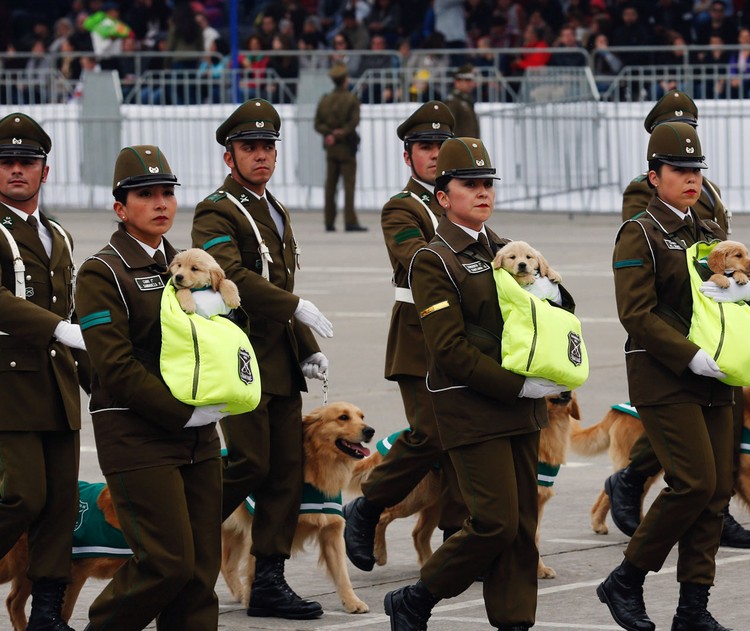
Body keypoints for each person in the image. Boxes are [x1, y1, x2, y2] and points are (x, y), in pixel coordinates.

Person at [384, 136, 572, 631]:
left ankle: (514, 623)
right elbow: (449, 348)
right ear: (443, 196)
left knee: (522, 526)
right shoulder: (434, 258)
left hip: (520, 408)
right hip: (472, 408)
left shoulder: (508, 249)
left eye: (487, 184)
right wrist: (517, 386)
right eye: (470, 185)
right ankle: (417, 597)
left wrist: (553, 288)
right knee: (493, 522)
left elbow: (551, 311)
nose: (483, 192)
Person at [599, 121, 750, 631]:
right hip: (665, 374)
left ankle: (693, 607)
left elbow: (748, 275)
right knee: (692, 483)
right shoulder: (640, 232)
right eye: (679, 170)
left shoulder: (705, 231)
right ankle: (625, 579)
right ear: (655, 176)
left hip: (716, 377)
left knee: (716, 492)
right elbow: (636, 312)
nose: (691, 179)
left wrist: (748, 290)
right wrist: (687, 354)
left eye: (696, 170)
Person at [191, 98, 333, 620]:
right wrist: (296, 306)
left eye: (267, 147)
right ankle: (182, 534)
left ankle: (268, 579)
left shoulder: (273, 207)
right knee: (250, 462)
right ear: (230, 157)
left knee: (285, 472)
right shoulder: (216, 210)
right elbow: (231, 278)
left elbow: (277, 283)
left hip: (278, 359)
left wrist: (308, 349)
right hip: (239, 358)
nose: (260, 156)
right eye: (249, 148)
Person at [75, 145, 222, 631]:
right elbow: (113, 366)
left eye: (167, 193)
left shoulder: (188, 265)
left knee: (202, 570)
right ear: (121, 208)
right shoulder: (102, 272)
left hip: (198, 434)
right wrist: (182, 413)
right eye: (145, 195)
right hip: (137, 434)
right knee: (167, 562)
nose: (160, 203)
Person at [343, 101, 467, 571]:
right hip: (419, 334)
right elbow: (420, 261)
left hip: (464, 335)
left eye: (441, 146)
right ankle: (369, 504)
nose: (434, 154)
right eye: (425, 147)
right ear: (408, 156)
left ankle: (459, 537)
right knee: (431, 434)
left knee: (465, 437)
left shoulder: (460, 197)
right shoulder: (403, 207)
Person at [0, 112, 88, 631]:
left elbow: (73, 314)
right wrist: (55, 329)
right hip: (10, 387)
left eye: (26, 162)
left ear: (44, 171)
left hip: (58, 387)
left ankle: (48, 612)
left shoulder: (58, 233)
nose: (16, 171)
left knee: (59, 505)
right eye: (6, 162)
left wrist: (105, 381)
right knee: (22, 496)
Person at [314, 63, 365, 232]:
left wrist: (329, 134)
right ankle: (350, 220)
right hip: (347, 147)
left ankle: (329, 221)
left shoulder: (325, 100)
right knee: (348, 186)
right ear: (345, 80)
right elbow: (353, 122)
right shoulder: (351, 99)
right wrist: (340, 133)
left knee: (330, 186)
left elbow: (317, 124)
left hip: (331, 149)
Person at [445, 64, 480, 138]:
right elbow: (449, 128)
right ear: (457, 81)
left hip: (470, 146)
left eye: (471, 80)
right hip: (460, 146)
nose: (471, 84)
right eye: (467, 80)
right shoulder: (453, 101)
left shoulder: (466, 100)